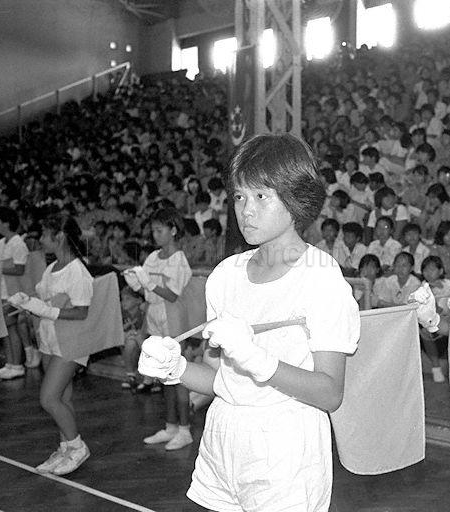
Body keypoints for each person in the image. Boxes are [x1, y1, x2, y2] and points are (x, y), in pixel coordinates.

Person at [136, 133, 361, 511]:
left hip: (286, 448)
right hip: (224, 441)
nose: (246, 210)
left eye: (261, 196)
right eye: (239, 196)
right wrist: (174, 369)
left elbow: (329, 393)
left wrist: (258, 359)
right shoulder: (226, 275)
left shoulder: (320, 276)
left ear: (295, 197)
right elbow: (222, 381)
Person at [8, 214, 94, 475]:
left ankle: (78, 447)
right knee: (63, 397)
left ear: (58, 236)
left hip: (72, 341)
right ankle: (65, 447)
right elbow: (44, 298)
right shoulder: (52, 266)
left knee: (48, 398)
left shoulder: (78, 271)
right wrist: (26, 300)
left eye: (45, 235)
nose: (41, 240)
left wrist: (46, 311)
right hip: (49, 339)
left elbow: (81, 312)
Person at [124, 207, 193, 450]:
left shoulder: (179, 260)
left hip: (173, 318)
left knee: (178, 376)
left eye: (160, 230)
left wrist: (149, 282)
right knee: (164, 375)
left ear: (173, 230)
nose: (155, 235)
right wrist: (136, 282)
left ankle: (184, 430)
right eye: (153, 230)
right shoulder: (153, 257)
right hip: (154, 316)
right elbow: (148, 290)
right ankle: (170, 426)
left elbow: (173, 295)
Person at [0, 206, 33, 379]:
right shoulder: (0, 243)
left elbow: (19, 269)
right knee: (4, 328)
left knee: (11, 326)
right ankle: (9, 363)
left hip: (15, 291)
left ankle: (17, 365)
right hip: (1, 290)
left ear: (6, 223)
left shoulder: (18, 243)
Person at [419, 255, 450, 383]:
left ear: (440, 271)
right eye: (425, 269)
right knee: (425, 330)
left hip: (449, 320)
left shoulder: (449, 284)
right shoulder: (423, 286)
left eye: (432, 269)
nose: (428, 272)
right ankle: (436, 367)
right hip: (431, 322)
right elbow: (427, 313)